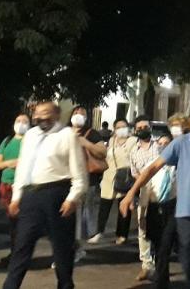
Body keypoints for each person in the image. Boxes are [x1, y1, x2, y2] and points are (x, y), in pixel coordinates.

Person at [120, 102, 190, 289]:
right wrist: (131, 193)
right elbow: (153, 168)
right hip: (186, 213)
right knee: (189, 263)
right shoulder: (181, 143)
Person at [3, 101, 88, 289]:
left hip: (57, 195)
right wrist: (17, 197)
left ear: (57, 115)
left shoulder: (66, 135)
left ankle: (65, 285)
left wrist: (72, 198)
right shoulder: (31, 135)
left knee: (62, 250)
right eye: (37, 114)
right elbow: (23, 168)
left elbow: (80, 173)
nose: (40, 118)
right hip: (31, 196)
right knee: (21, 246)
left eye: (46, 113)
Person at [69, 105, 106, 263]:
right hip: (66, 180)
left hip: (86, 180)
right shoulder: (64, 133)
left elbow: (102, 152)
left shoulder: (92, 134)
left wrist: (86, 143)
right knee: (68, 217)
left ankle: (75, 249)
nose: (78, 116)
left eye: (82, 114)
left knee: (79, 217)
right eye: (76, 113)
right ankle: (71, 248)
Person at [91, 118, 136, 245]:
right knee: (104, 207)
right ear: (114, 129)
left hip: (125, 178)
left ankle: (122, 234)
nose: (121, 129)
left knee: (124, 207)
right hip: (109, 177)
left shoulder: (133, 141)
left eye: (124, 126)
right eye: (118, 127)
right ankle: (99, 232)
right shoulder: (111, 141)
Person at [0, 113, 29, 266]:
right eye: (18, 120)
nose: (21, 123)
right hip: (6, 185)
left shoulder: (30, 141)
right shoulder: (7, 141)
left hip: (23, 186)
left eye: (25, 121)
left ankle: (20, 255)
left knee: (21, 222)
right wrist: (11, 163)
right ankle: (15, 253)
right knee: (12, 221)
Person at [146, 133, 178, 289]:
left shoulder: (178, 165)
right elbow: (147, 189)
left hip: (171, 207)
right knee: (157, 245)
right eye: (161, 143)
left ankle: (159, 281)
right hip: (154, 207)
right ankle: (163, 278)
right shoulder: (152, 165)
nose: (163, 146)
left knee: (166, 243)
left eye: (167, 143)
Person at [130, 114, 160, 281]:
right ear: (135, 131)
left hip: (163, 191)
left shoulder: (159, 146)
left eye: (145, 127)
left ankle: (161, 264)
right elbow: (135, 174)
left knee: (160, 229)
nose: (142, 130)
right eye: (139, 128)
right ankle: (146, 265)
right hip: (144, 192)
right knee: (143, 228)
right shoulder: (134, 151)